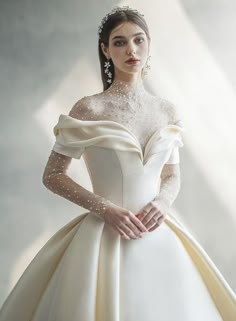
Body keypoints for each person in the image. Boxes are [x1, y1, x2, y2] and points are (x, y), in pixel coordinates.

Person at [0, 5, 235, 321]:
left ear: (149, 44)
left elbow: (172, 175)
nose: (131, 49)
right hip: (102, 236)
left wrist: (163, 202)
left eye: (138, 40)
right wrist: (104, 208)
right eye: (120, 42)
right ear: (105, 50)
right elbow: (53, 175)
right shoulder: (89, 109)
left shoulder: (167, 111)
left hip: (158, 233)